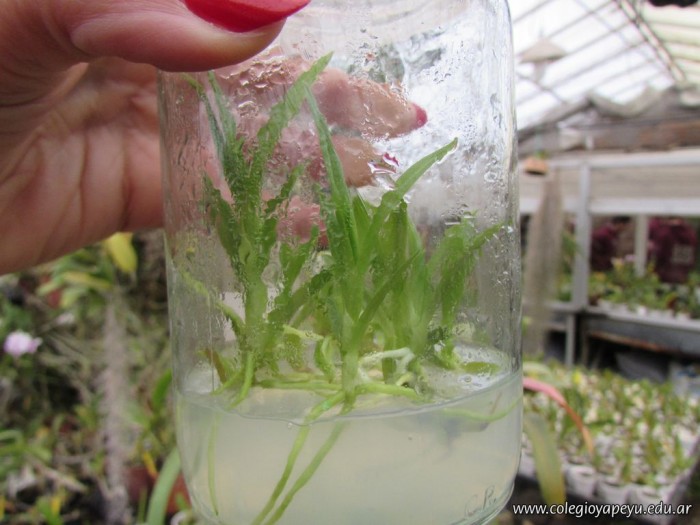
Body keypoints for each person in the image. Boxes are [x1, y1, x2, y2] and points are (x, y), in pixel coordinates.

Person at [648, 216, 698, 284]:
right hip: (683, 275)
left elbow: (658, 255)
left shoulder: (664, 233)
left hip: (663, 276)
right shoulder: (690, 234)